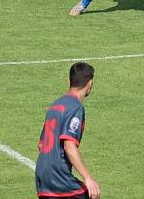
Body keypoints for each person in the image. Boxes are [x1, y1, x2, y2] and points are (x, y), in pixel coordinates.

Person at [35, 62, 101, 198]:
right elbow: (69, 146)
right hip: (59, 178)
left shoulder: (55, 106)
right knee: (90, 194)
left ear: (69, 81)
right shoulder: (76, 107)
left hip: (42, 178)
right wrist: (88, 177)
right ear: (90, 84)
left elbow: (41, 144)